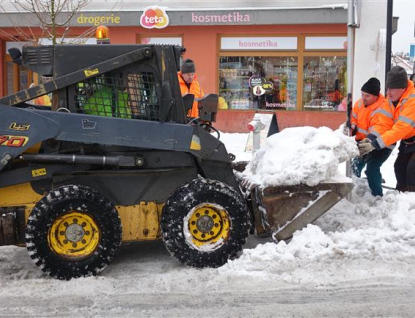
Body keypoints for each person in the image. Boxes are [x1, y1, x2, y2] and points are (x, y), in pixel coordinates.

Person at [359, 66, 415, 192]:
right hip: (408, 141)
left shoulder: (412, 100)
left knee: (412, 170)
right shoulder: (391, 100)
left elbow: (400, 129)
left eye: (392, 89)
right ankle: (402, 197)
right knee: (399, 167)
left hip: (411, 136)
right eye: (388, 88)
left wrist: (376, 144)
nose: (388, 92)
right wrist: (371, 138)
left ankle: (411, 201)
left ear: (403, 88)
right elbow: (384, 124)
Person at [344, 77, 392, 197]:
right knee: (354, 165)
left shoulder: (383, 108)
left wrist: (369, 142)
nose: (363, 98)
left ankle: (377, 195)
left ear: (376, 96)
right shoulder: (360, 103)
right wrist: (353, 125)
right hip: (364, 142)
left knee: (372, 168)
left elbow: (378, 129)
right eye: (362, 94)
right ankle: (353, 192)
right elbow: (354, 117)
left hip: (382, 144)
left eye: (367, 96)